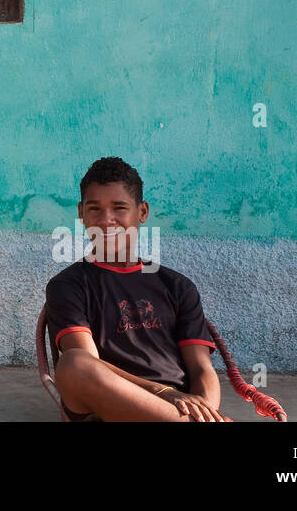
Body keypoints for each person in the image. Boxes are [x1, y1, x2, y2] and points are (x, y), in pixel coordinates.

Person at [45, 157, 227, 422]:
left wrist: (206, 411)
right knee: (73, 364)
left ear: (142, 212)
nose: (107, 221)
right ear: (81, 213)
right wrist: (161, 392)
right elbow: (86, 364)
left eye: (119, 208)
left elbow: (202, 369)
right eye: (95, 209)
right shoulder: (68, 285)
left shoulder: (177, 286)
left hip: (178, 407)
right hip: (107, 406)